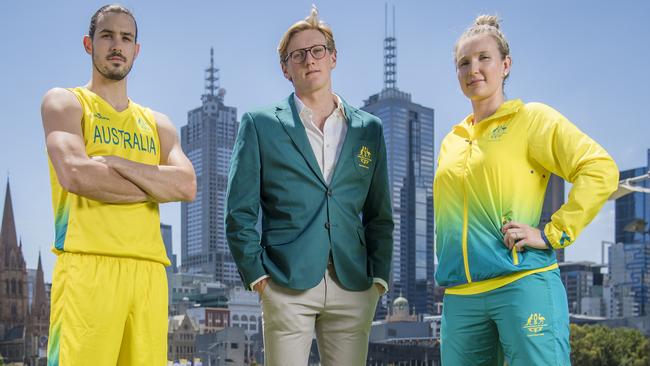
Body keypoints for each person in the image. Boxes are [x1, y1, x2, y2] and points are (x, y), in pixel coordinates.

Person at [434, 14, 619, 365]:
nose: (473, 68)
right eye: (463, 63)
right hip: (460, 296)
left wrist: (553, 233)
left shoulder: (532, 119)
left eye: (483, 58)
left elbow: (599, 169)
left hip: (522, 284)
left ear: (505, 65)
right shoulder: (451, 141)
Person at [225, 7, 393, 366]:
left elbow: (380, 214)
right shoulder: (260, 124)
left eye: (317, 50)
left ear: (333, 57)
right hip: (286, 283)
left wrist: (378, 280)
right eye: (297, 55)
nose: (309, 60)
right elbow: (239, 212)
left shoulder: (370, 129)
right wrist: (258, 279)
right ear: (285, 69)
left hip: (354, 284)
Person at [41, 5, 196, 365]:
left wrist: (117, 164)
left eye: (126, 38)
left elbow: (187, 186)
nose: (117, 45)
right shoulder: (66, 102)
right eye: (107, 35)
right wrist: (157, 185)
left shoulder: (158, 124)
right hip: (87, 266)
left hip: (150, 274)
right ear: (88, 44)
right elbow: (76, 175)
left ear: (136, 50)